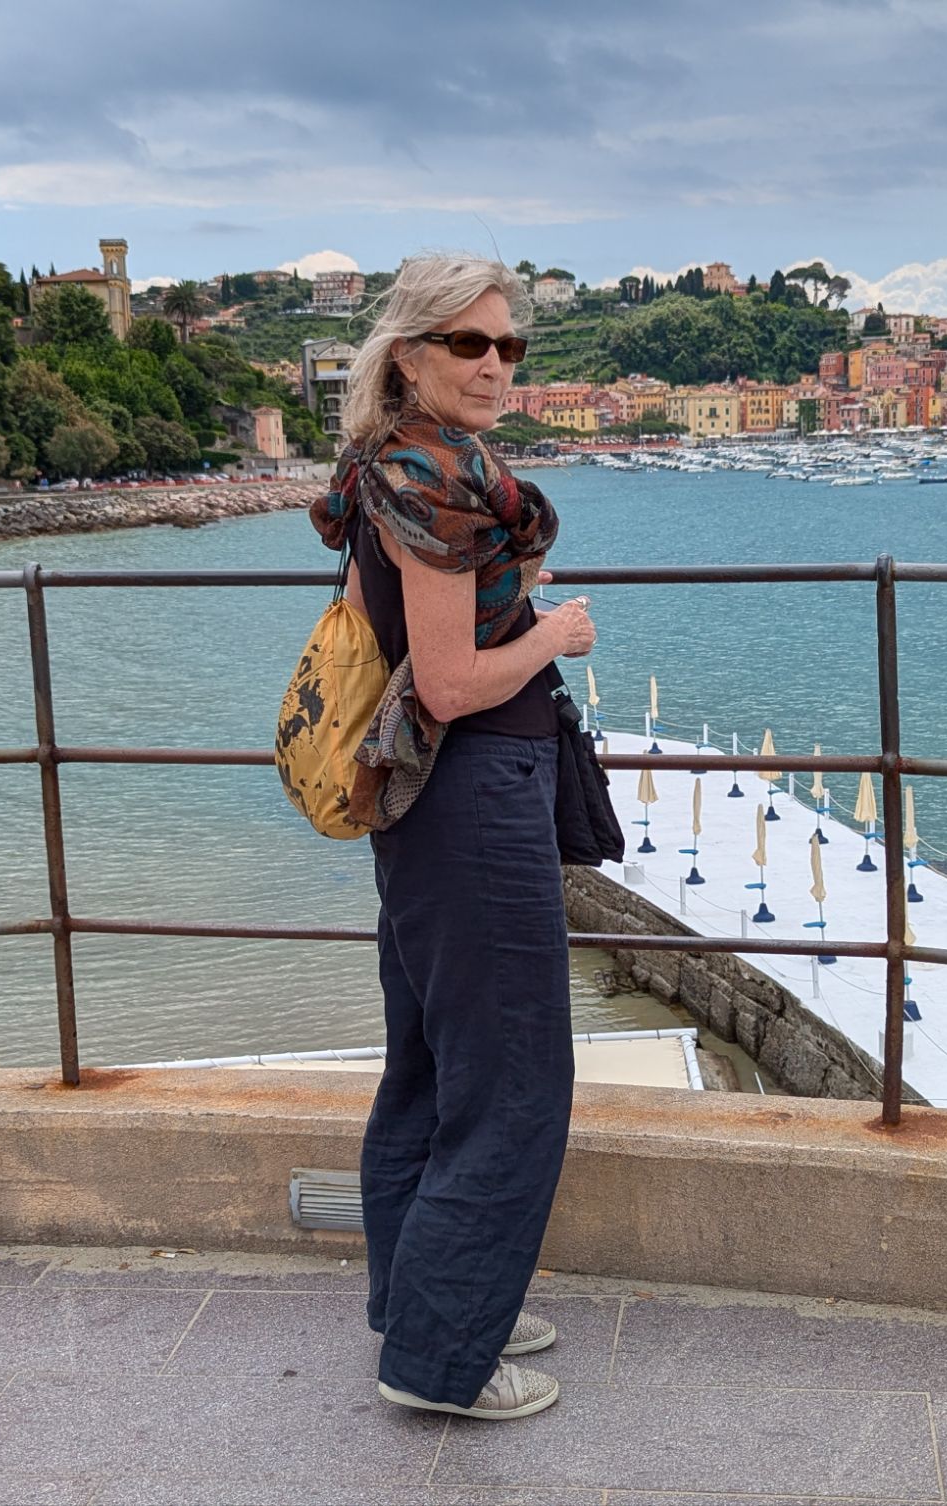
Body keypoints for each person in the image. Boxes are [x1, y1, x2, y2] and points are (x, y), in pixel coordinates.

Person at [308, 254, 596, 1421]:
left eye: (506, 345)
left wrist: (507, 591)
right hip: (469, 795)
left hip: (432, 806)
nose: (492, 364)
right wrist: (552, 635)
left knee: (433, 1067)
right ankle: (439, 1362)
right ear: (408, 356)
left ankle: (426, 1302)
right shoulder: (430, 483)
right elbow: (447, 683)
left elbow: (408, 632)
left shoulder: (396, 470)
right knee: (514, 1075)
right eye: (466, 344)